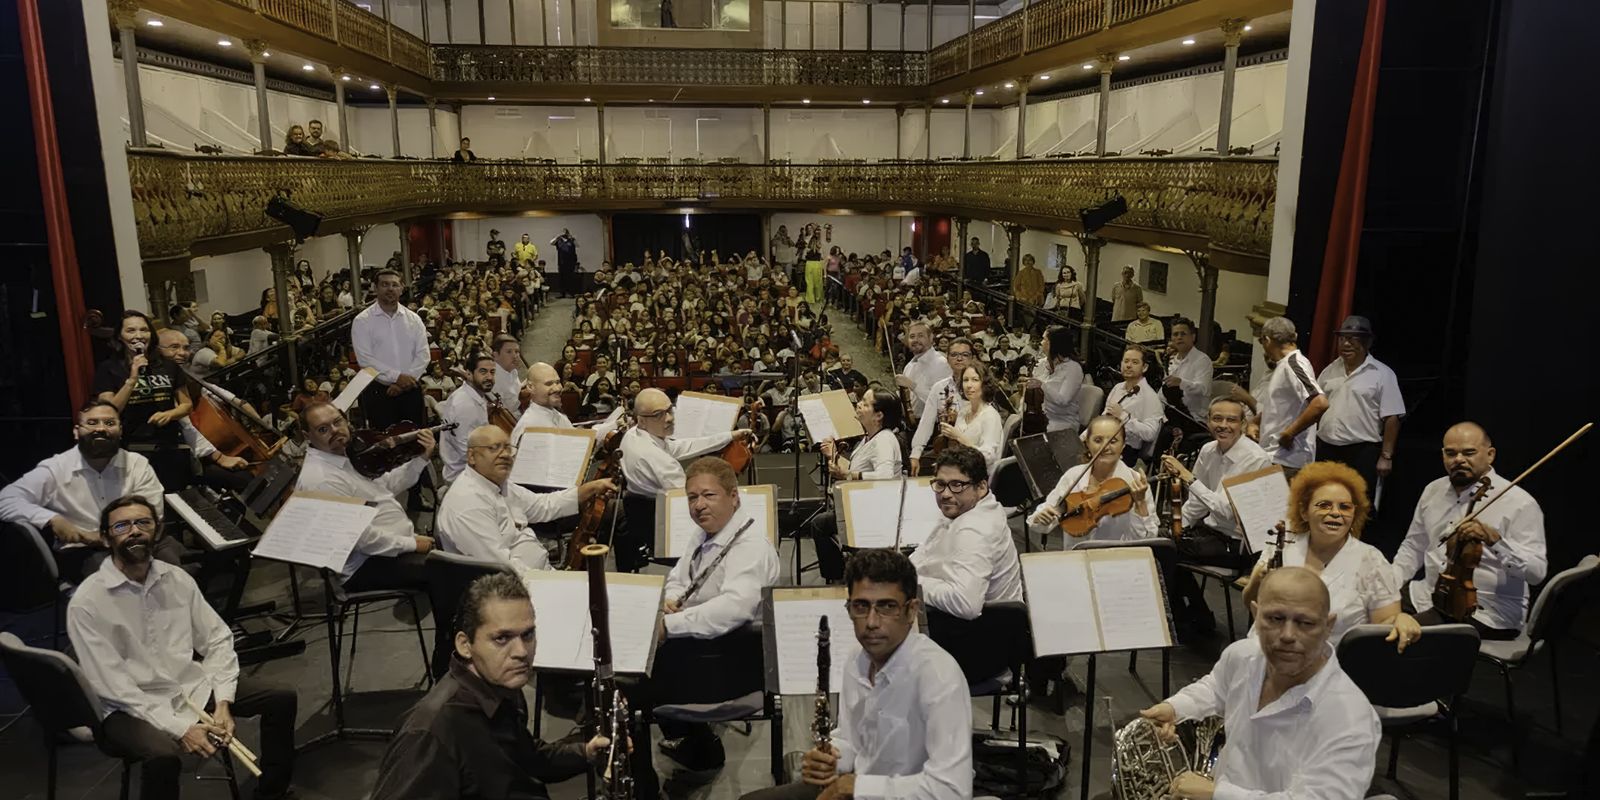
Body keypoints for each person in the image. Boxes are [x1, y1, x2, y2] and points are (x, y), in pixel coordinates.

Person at [68, 496, 297, 800]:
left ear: (157, 531)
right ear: (107, 538)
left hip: (188, 686)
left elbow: (217, 639)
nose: (134, 531)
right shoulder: (87, 603)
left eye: (143, 523)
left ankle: (272, 793)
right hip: (126, 707)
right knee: (162, 755)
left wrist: (223, 702)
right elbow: (113, 687)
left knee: (281, 698)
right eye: (122, 526)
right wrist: (181, 728)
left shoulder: (175, 578)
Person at [738, 549, 973, 800]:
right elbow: (852, 741)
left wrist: (858, 788)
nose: (871, 622)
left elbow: (953, 790)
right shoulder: (856, 660)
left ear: (911, 610)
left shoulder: (939, 677)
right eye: (861, 606)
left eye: (887, 607)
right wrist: (831, 758)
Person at [1137, 567, 1380, 800]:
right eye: (1275, 618)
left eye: (1305, 623)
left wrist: (1217, 794)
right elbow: (1215, 688)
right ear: (1256, 614)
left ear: (1328, 626)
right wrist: (1175, 708)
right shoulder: (1243, 655)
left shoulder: (1351, 719)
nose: (1287, 635)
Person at [371, 573, 618, 800]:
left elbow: (527, 759)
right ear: (465, 645)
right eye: (502, 638)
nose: (521, 652)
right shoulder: (430, 732)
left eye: (527, 635)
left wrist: (586, 752)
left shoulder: (501, 687)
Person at [294, 402, 450, 673]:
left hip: (385, 550)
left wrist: (421, 459)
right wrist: (412, 543)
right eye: (323, 429)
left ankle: (453, 652)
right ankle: (446, 663)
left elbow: (385, 486)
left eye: (337, 422)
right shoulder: (322, 478)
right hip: (363, 565)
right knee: (448, 573)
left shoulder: (344, 456)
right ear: (308, 436)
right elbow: (361, 539)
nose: (335, 431)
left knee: (451, 562)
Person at [652, 458, 781, 769]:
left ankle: (647, 775)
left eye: (709, 495)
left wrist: (669, 625)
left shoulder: (750, 546)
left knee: (621, 683)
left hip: (728, 668)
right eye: (692, 497)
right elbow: (679, 578)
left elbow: (735, 608)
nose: (698, 505)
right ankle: (696, 743)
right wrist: (671, 600)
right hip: (699, 652)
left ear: (733, 497)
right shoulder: (703, 534)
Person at [1392, 422, 1546, 639]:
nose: (1459, 460)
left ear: (1490, 455)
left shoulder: (1519, 503)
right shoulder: (1433, 491)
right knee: (1368, 612)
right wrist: (1389, 586)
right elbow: (1413, 546)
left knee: (1396, 635)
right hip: (1429, 594)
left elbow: (1536, 573)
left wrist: (1496, 541)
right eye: (1451, 453)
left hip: (1486, 610)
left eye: (1469, 453)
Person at [1242, 462, 1421, 649]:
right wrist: (1256, 581)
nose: (1335, 513)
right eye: (1324, 505)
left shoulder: (1372, 561)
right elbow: (1251, 604)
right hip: (1266, 651)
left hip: (1331, 661)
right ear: (1304, 511)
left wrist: (1400, 618)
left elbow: (1383, 627)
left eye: (1345, 507)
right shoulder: (1283, 545)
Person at [0, 400, 182, 578]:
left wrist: (107, 536)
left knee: (175, 571)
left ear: (120, 431)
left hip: (139, 541)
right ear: (76, 431)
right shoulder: (56, 468)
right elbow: (5, 499)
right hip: (84, 550)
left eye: (109, 423)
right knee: (117, 577)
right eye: (92, 422)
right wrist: (51, 519)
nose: (101, 428)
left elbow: (153, 515)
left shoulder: (138, 465)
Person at [436, 425, 614, 577]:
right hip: (513, 593)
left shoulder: (497, 483)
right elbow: (501, 568)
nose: (505, 455)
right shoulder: (467, 503)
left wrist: (589, 489)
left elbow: (541, 505)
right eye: (494, 448)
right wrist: (554, 581)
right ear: (471, 456)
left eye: (508, 448)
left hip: (537, 575)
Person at [1160, 396, 1273, 632]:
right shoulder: (1208, 450)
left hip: (1238, 544)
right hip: (1210, 533)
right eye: (1217, 419)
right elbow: (1197, 504)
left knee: (1165, 551)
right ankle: (1194, 616)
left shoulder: (1255, 458)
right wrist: (1177, 527)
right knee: (1160, 542)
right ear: (1208, 421)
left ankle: (1191, 619)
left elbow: (1227, 512)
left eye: (1231, 420)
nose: (1223, 425)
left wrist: (1188, 478)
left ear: (1242, 424)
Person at [617, 388, 752, 572]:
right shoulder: (658, 459)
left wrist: (729, 436)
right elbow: (693, 497)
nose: (669, 418)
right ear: (642, 420)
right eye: (658, 415)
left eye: (669, 410)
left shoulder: (633, 434)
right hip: (665, 525)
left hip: (640, 513)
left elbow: (680, 446)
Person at [913, 445, 1021, 620]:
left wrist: (907, 582)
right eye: (940, 484)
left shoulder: (976, 529)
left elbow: (965, 604)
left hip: (978, 631)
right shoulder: (964, 506)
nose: (945, 494)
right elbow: (927, 551)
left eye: (957, 485)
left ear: (981, 487)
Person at [812, 389, 906, 582]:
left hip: (874, 513)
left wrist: (848, 474)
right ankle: (841, 573)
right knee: (821, 523)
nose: (859, 405)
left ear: (878, 415)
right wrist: (833, 455)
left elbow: (885, 476)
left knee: (821, 524)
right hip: (862, 507)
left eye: (865, 403)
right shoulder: (868, 439)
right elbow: (854, 471)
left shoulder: (884, 440)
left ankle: (840, 575)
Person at [95, 310, 193, 489]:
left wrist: (170, 414)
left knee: (173, 496)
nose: (138, 335)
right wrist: (132, 379)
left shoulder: (168, 366)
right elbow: (108, 412)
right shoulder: (109, 368)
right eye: (131, 330)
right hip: (131, 447)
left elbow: (186, 405)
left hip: (168, 445)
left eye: (144, 330)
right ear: (120, 336)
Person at [1028, 415, 1156, 547]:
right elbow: (1044, 520)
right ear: (1087, 444)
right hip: (1077, 556)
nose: (1105, 447)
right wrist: (1041, 517)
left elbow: (1148, 539)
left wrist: (1140, 503)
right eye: (1098, 440)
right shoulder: (1073, 475)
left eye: (1113, 441)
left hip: (1117, 556)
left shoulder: (1135, 482)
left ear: (1123, 445)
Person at [1316, 315, 1405, 499]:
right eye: (1342, 338)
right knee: (1323, 499)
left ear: (1367, 342)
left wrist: (1386, 456)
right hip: (1326, 448)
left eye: (1352, 339)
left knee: (1357, 501)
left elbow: (1392, 417)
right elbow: (1316, 406)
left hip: (1361, 452)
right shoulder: (1329, 370)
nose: (1346, 344)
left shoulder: (1382, 374)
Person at [351, 269, 430, 432]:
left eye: (395, 285)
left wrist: (404, 383)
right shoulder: (362, 321)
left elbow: (423, 355)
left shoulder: (414, 319)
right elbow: (365, 360)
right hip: (379, 392)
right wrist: (397, 377)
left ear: (401, 288)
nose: (390, 289)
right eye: (385, 284)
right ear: (375, 288)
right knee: (383, 440)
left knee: (414, 439)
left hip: (410, 390)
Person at [1255, 315, 1326, 478]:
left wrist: (1290, 433)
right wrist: (1256, 421)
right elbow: (1285, 407)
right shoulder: (1285, 365)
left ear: (1267, 340)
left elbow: (1320, 402)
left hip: (1287, 460)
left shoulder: (1293, 363)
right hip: (1278, 457)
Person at [908, 337, 977, 475]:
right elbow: (926, 422)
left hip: (973, 447)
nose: (959, 359)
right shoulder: (939, 387)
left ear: (972, 358)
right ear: (947, 359)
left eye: (964, 355)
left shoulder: (980, 387)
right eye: (954, 355)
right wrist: (916, 453)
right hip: (946, 447)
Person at [438, 353, 497, 482]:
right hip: (463, 476)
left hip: (471, 469)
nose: (489, 377)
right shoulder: (465, 404)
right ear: (469, 374)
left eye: (492, 372)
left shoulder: (473, 395)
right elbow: (466, 450)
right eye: (483, 372)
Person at [935, 364, 1005, 468]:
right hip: (961, 468)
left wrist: (958, 436)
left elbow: (988, 458)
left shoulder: (990, 416)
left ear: (985, 384)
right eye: (965, 380)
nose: (969, 385)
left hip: (979, 473)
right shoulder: (964, 411)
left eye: (975, 380)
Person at [1103, 347, 1163, 465]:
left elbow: (1150, 433)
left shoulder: (1150, 397)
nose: (1128, 365)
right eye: (1126, 361)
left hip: (1127, 450)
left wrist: (1123, 417)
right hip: (1104, 439)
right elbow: (1104, 416)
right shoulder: (1117, 388)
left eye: (1135, 362)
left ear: (1144, 367)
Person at [1027, 326, 1085, 433]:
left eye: (1044, 339)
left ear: (1053, 344)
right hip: (1041, 417)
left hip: (1062, 421)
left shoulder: (1073, 368)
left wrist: (1042, 385)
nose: (1041, 343)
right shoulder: (1042, 363)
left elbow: (1063, 400)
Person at [1162, 316, 1214, 425]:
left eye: (1183, 334)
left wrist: (1181, 383)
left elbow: (1204, 389)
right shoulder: (1171, 360)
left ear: (1193, 337)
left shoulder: (1202, 360)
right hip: (1172, 415)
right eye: (1175, 334)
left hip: (1195, 418)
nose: (1179, 337)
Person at [895, 320, 951, 420]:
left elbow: (942, 403)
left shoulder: (941, 363)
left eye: (920, 336)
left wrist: (913, 386)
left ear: (931, 338)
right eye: (912, 336)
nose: (915, 340)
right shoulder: (909, 366)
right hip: (910, 422)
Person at [490, 333, 525, 411]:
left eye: (517, 351)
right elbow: (507, 410)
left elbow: (517, 392)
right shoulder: (493, 380)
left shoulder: (512, 370)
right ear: (496, 355)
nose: (515, 356)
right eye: (509, 352)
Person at [551, 228, 579, 297]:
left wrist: (572, 238)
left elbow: (577, 245)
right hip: (561, 263)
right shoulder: (559, 241)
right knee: (561, 279)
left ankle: (571, 293)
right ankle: (562, 293)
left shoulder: (571, 240)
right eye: (562, 232)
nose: (564, 234)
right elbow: (551, 243)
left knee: (570, 278)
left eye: (565, 232)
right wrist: (557, 236)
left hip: (570, 263)